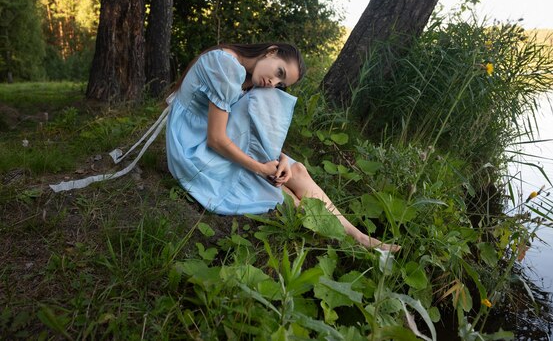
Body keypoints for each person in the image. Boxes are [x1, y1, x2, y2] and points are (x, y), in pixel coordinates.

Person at [166, 42, 399, 252]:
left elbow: (242, 131)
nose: (273, 83)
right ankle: (346, 243)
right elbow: (216, 138)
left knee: (295, 171)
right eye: (279, 72)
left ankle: (359, 237)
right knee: (282, 193)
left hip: (212, 142)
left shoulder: (246, 77)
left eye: (281, 83)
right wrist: (260, 168)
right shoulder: (226, 65)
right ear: (271, 51)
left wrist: (281, 158)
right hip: (193, 151)